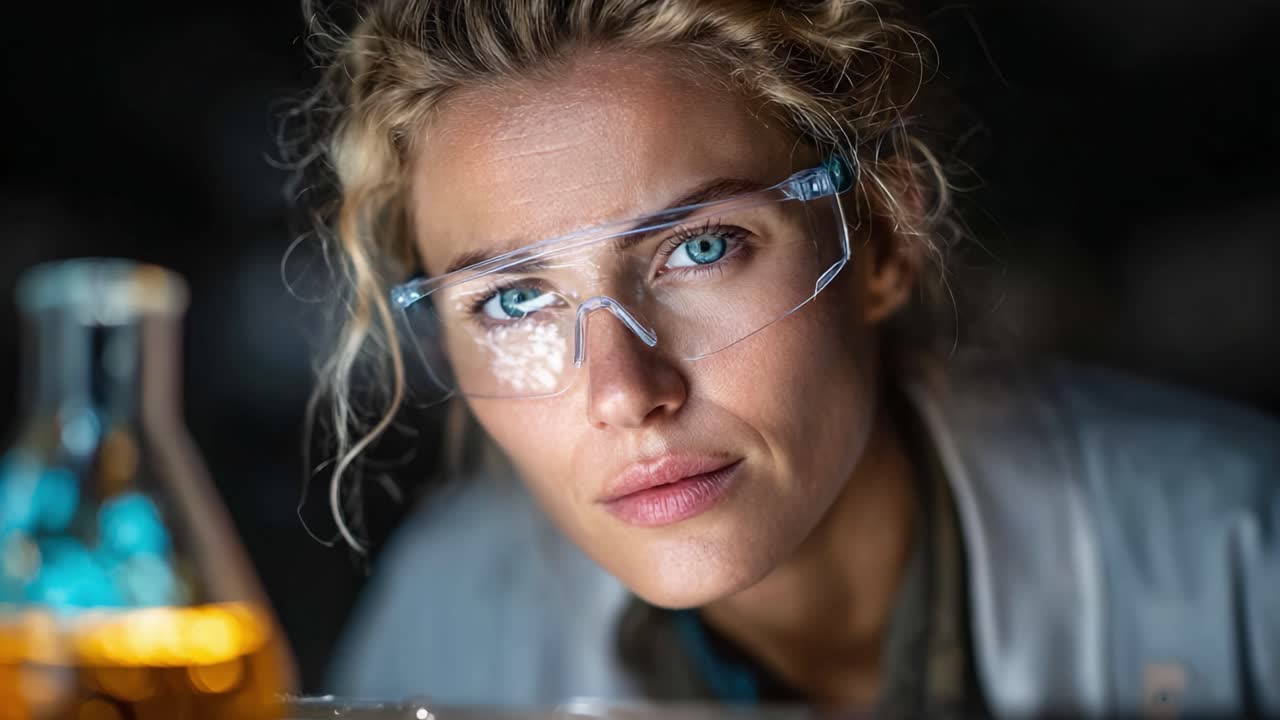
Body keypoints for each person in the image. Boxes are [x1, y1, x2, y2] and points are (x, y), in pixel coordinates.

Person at [297, 0, 1280, 716]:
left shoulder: (1244, 558)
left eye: (698, 248)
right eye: (514, 300)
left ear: (884, 237)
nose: (625, 392)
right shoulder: (445, 619)